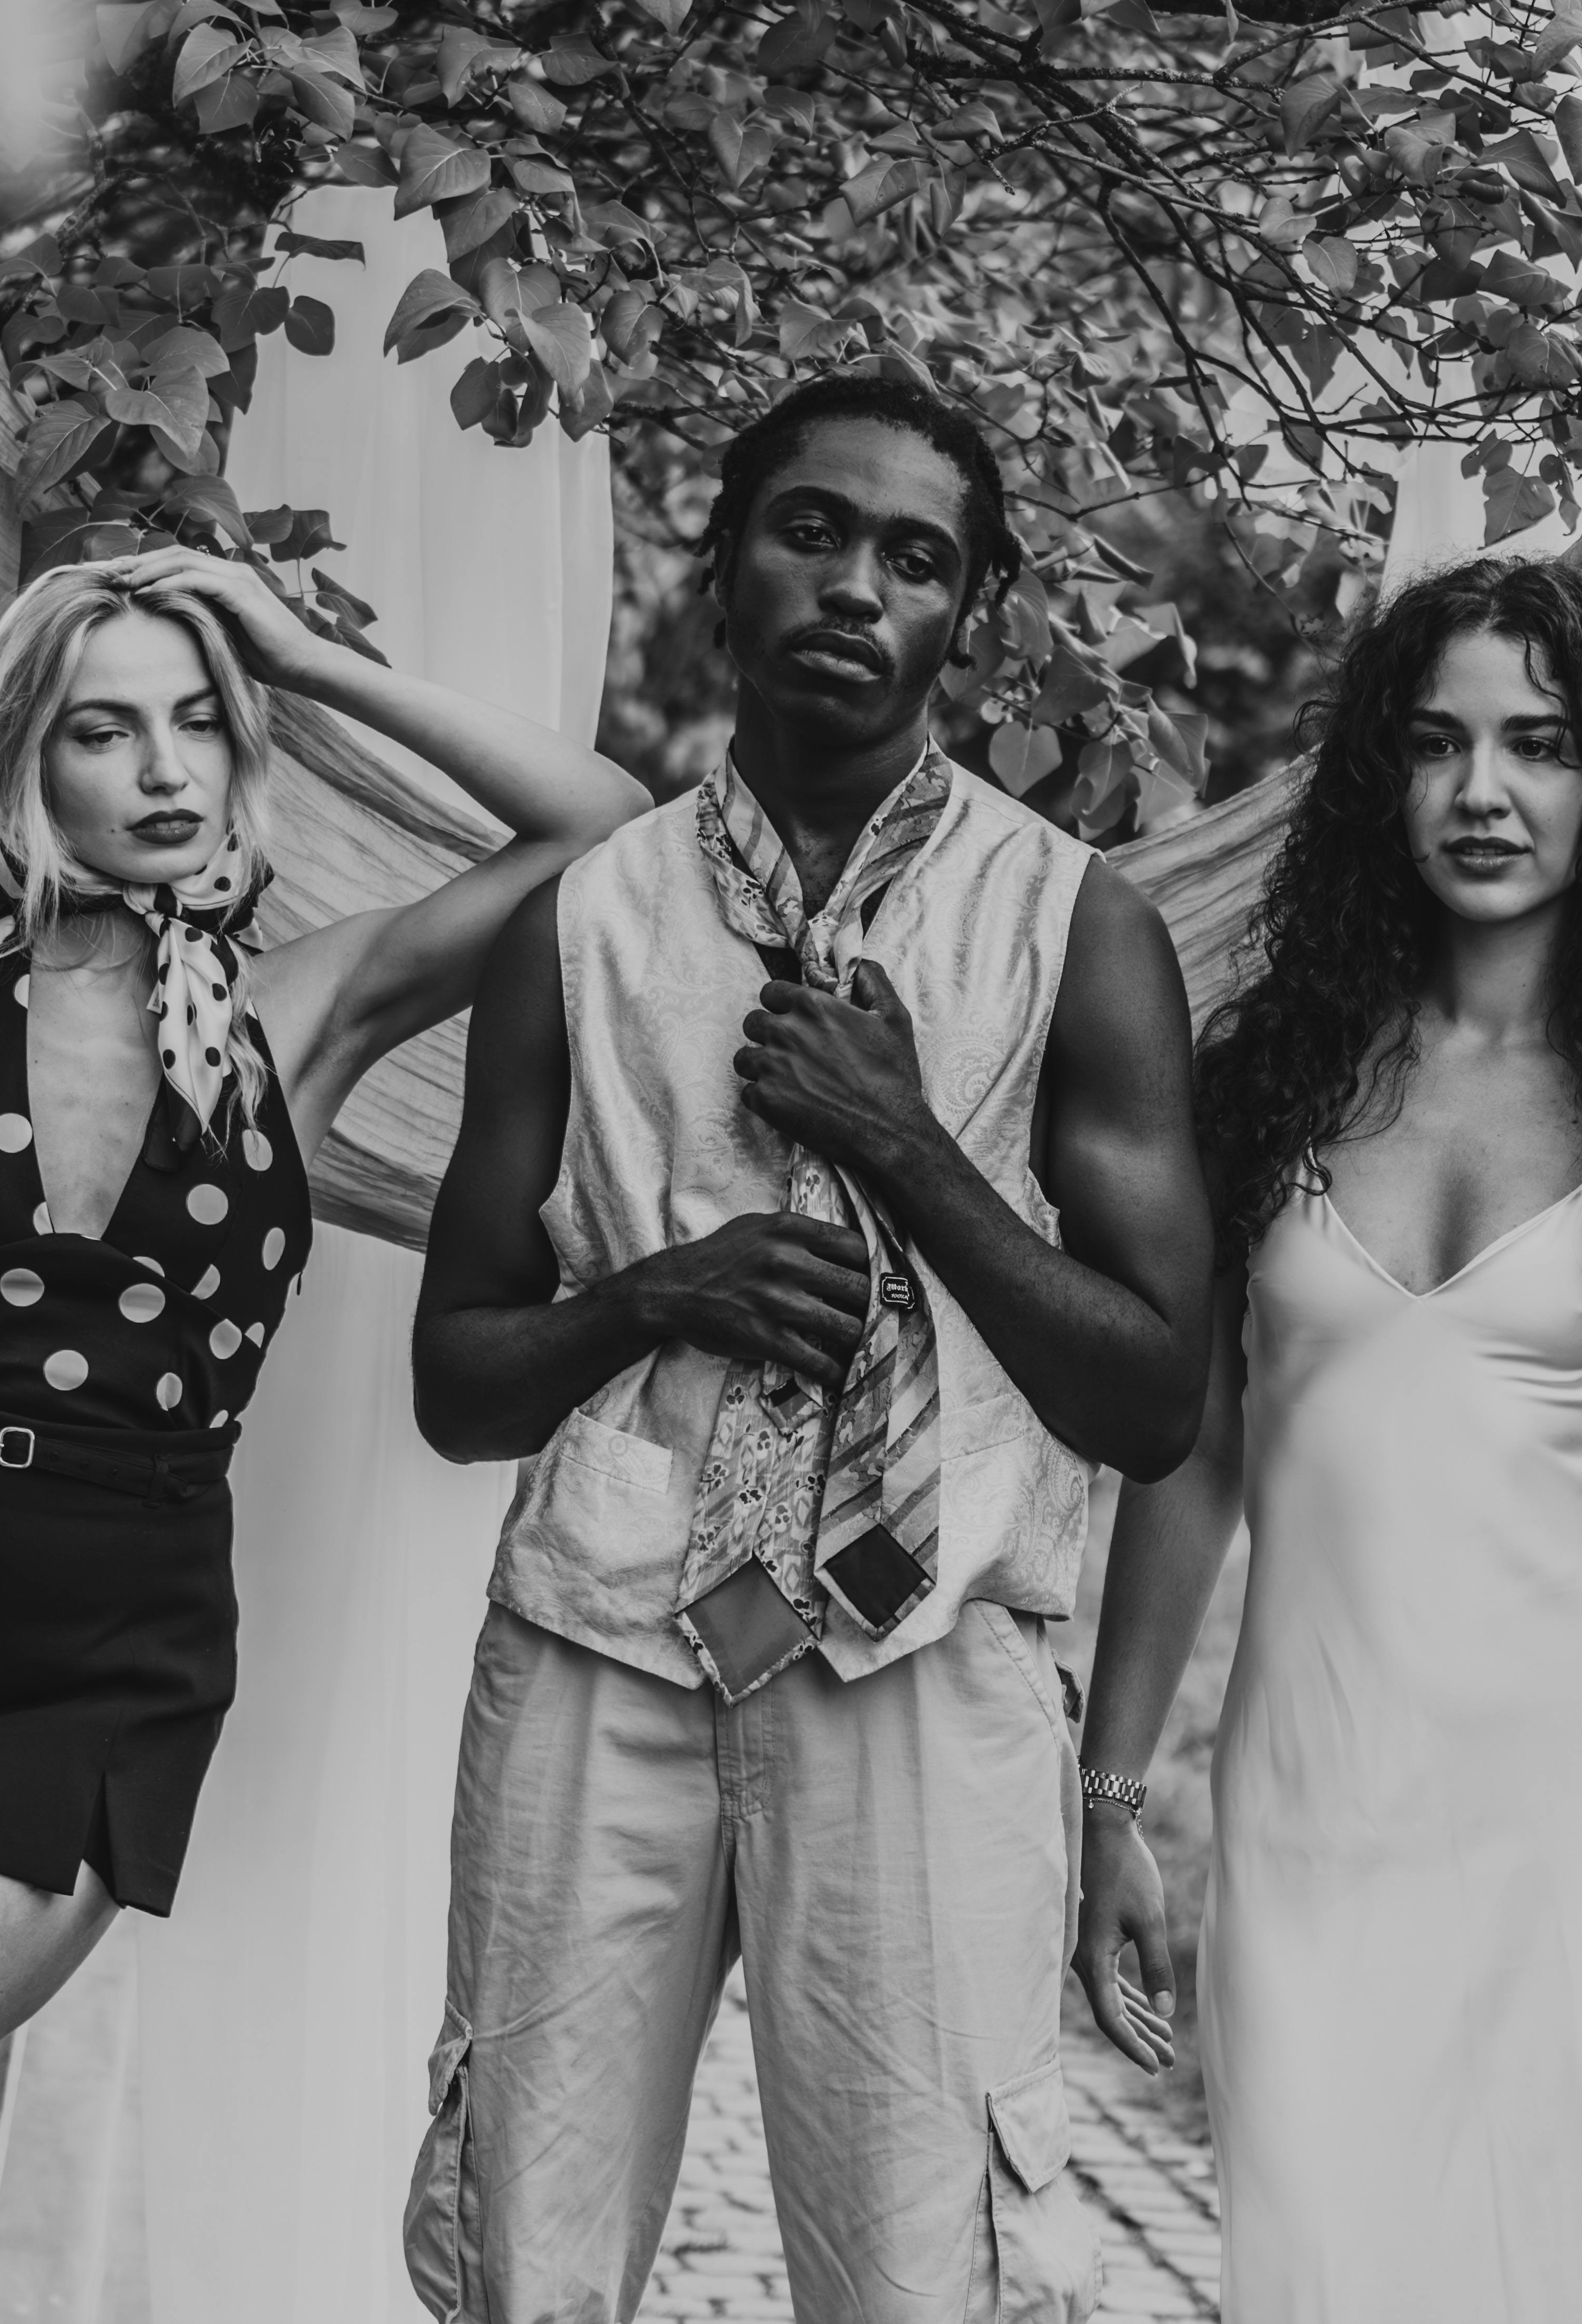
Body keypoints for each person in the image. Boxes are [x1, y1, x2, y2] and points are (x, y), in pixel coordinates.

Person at [0, 542, 647, 2323]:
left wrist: (304, 660)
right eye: (107, 730)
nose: (166, 769)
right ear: (30, 760)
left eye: (200, 723)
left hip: (104, 1659)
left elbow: (603, 828)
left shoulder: (297, 1014)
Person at [408, 371, 1215, 2321]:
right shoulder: (577, 930)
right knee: (529, 2263)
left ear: (972, 619)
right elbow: (455, 1381)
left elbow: (1155, 1397)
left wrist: (908, 1145)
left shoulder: (1076, 931)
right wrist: (653, 1293)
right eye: (812, 531)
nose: (857, 584)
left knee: (922, 2279)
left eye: (916, 560)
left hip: (922, 1667)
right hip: (599, 1647)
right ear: (724, 568)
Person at [1074, 557, 1582, 2320]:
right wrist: (1107, 1794)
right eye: (1437, 742)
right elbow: (1192, 1458)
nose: (1484, 791)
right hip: (1316, 1823)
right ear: (1380, 779)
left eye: (1538, 744)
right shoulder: (1270, 1084)